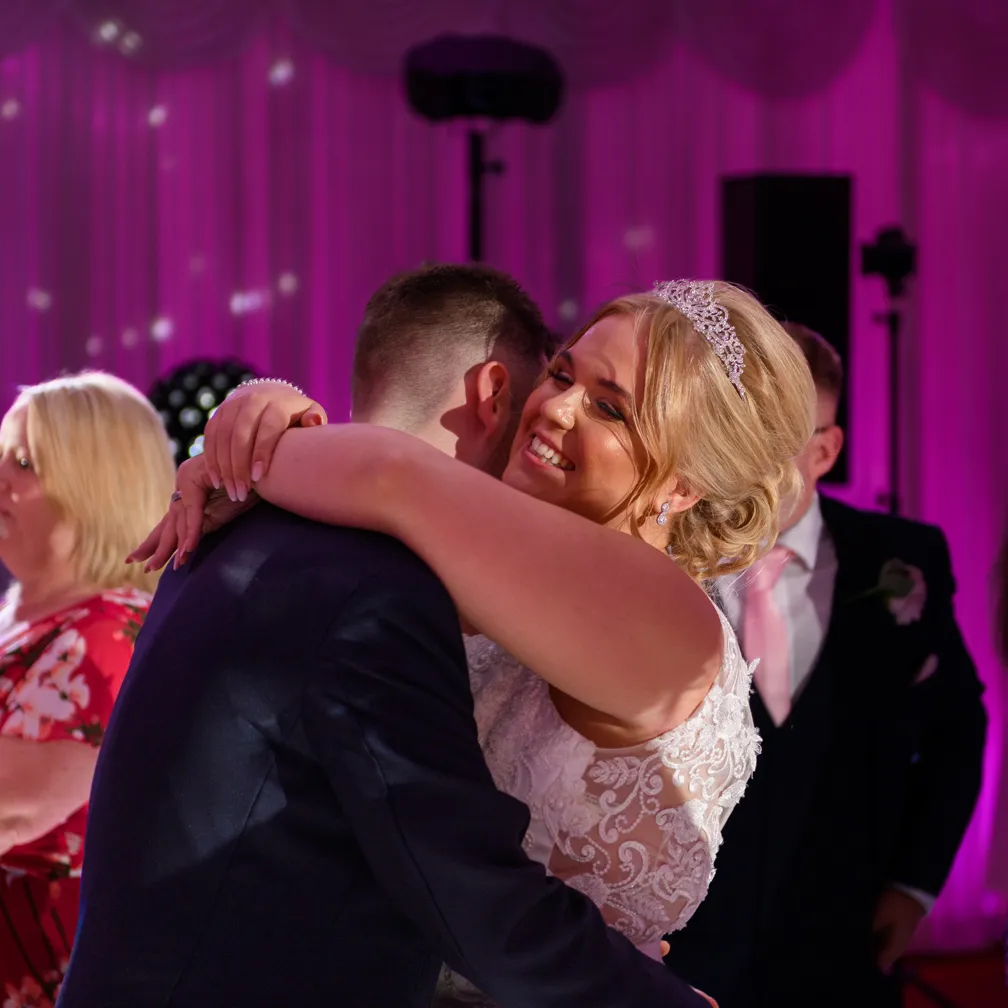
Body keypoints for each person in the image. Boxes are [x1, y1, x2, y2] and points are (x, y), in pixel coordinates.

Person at [132, 276, 818, 1006]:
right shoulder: (505, 581)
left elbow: (391, 476)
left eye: (609, 407)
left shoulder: (661, 611)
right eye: (562, 374)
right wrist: (261, 419)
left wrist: (257, 440)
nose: (555, 408)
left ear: (681, 488)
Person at [663, 322, 988, 1007]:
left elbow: (958, 730)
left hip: (843, 940)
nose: (743, 457)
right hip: (681, 949)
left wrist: (915, 885)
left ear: (825, 449)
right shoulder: (664, 553)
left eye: (772, 436)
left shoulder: (903, 561)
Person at [0, 372, 175, 1007]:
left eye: (23, 462)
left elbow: (12, 809)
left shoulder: (107, 635)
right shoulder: (25, 619)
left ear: (95, 489)